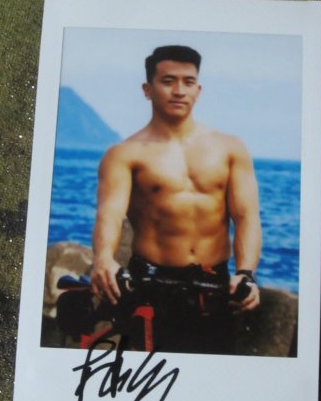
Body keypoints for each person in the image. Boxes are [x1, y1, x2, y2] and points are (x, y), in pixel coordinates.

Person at [90, 45, 261, 354]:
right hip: (150, 286)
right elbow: (109, 214)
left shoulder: (230, 148)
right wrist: (103, 258)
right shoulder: (124, 154)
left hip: (215, 288)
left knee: (212, 375)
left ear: (198, 90)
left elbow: (246, 216)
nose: (179, 91)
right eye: (168, 81)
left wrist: (246, 273)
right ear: (147, 89)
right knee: (150, 376)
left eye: (188, 82)